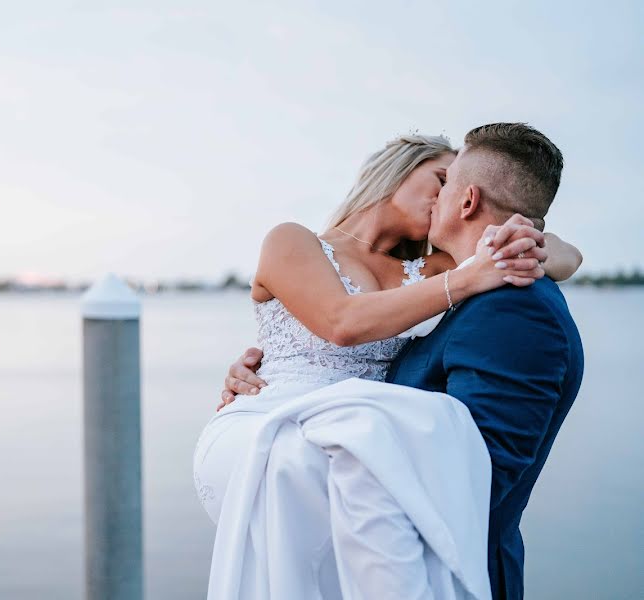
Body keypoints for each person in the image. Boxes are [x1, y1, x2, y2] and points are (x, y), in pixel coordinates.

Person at [195, 124, 583, 599]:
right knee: (300, 466)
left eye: (452, 187)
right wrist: (470, 277)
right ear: (398, 170)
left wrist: (525, 246)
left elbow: (566, 253)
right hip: (272, 414)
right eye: (439, 179)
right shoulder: (295, 241)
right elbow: (340, 322)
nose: (444, 197)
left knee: (357, 489)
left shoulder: (438, 265)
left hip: (361, 435)